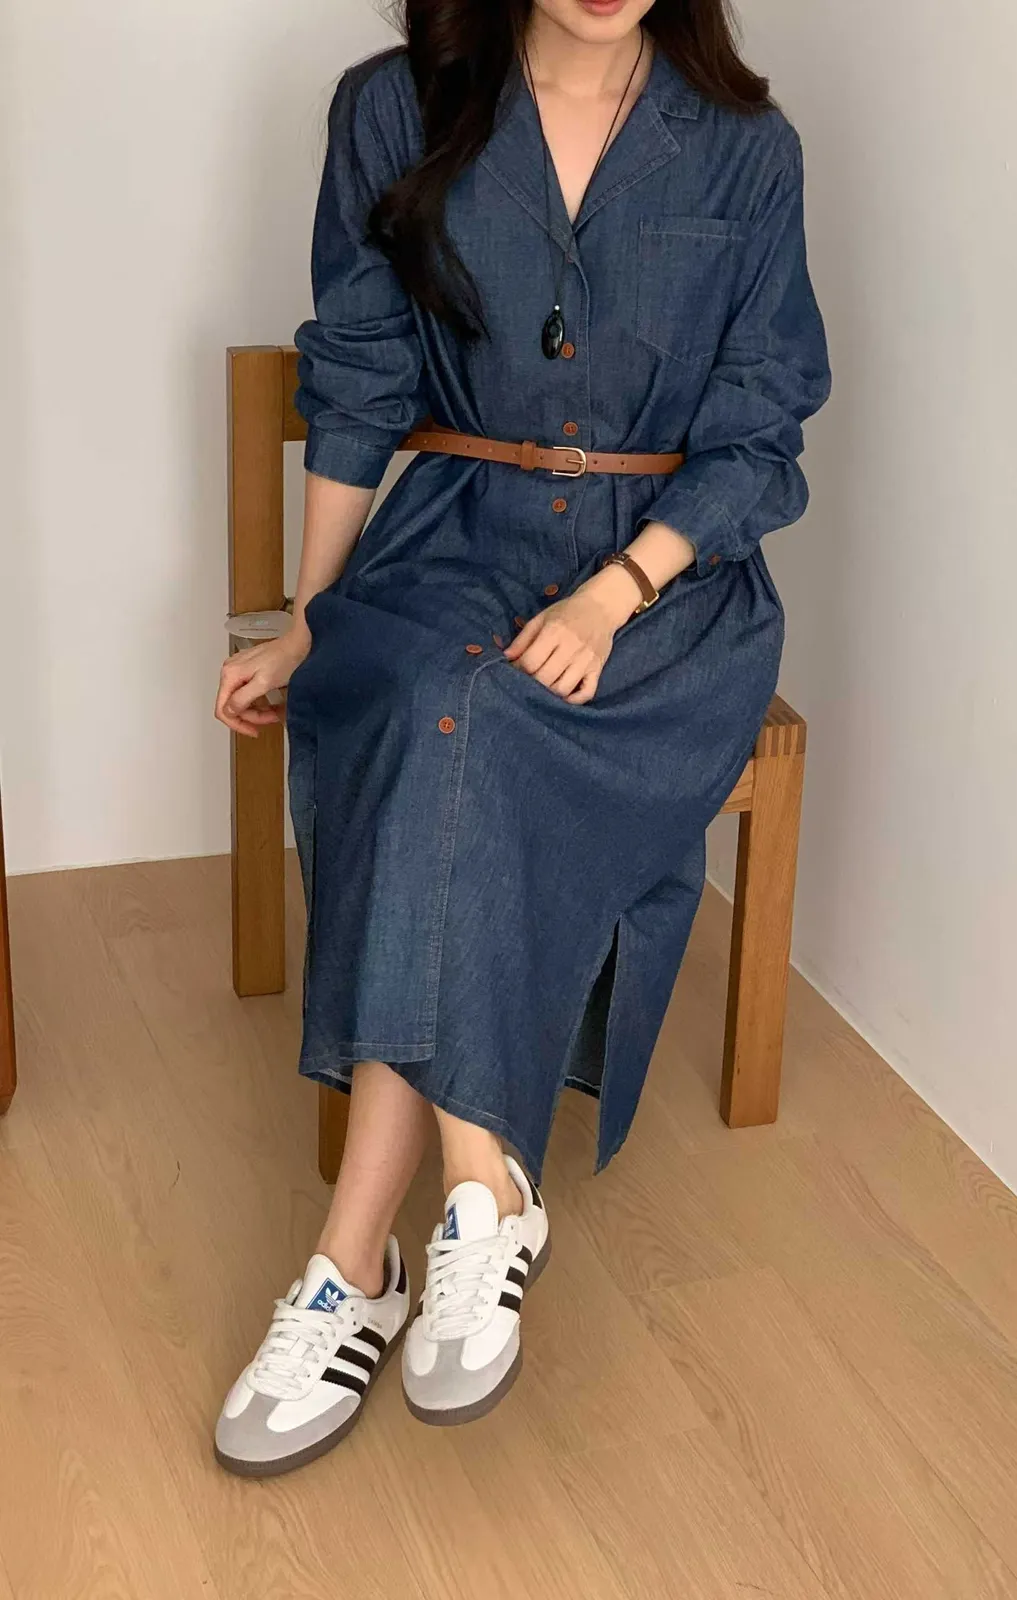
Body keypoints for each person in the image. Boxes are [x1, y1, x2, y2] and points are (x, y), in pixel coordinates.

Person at [212, 0, 829, 1476]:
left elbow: (761, 430)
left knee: (465, 716)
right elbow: (360, 378)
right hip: (450, 538)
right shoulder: (393, 108)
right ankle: (480, 1192)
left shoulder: (746, 148)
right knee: (450, 698)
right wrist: (310, 617)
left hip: (666, 587)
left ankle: (352, 1264)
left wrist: (615, 595)